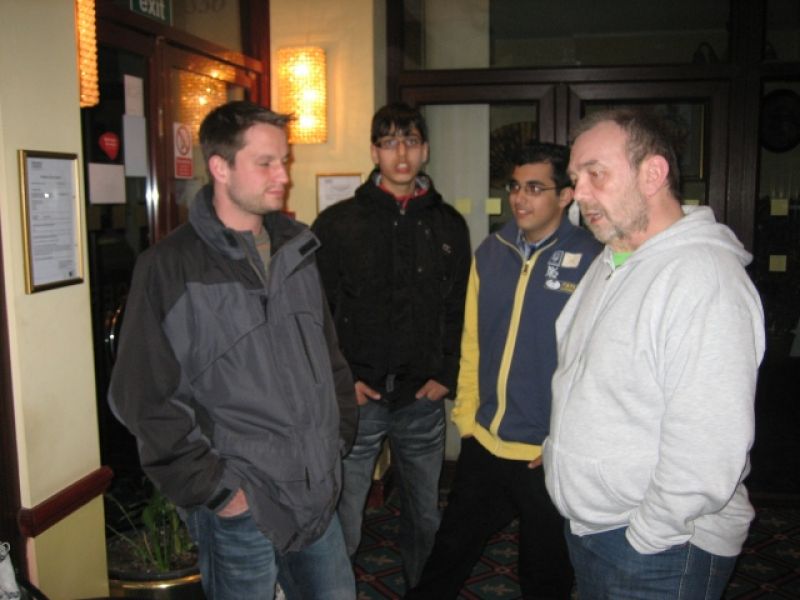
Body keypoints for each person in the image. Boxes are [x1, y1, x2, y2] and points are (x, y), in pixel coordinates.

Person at [108, 100, 358, 600]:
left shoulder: (298, 249)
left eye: (283, 161)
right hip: (243, 505)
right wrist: (220, 491)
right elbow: (143, 395)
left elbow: (329, 357)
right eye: (266, 163)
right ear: (220, 167)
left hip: (315, 489)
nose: (283, 175)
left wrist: (338, 435)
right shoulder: (169, 267)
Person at [543, 108, 765, 599]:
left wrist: (647, 535)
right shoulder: (610, 261)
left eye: (596, 174)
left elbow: (709, 444)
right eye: (576, 179)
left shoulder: (703, 276)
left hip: (662, 546)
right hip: (595, 528)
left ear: (653, 173)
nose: (579, 194)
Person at [406, 142, 601, 599]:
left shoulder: (593, 259)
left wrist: (566, 440)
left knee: (545, 572)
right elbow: (472, 341)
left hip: (545, 453)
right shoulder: (491, 252)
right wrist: (467, 420)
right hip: (487, 441)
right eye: (514, 186)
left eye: (535, 188)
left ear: (565, 195)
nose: (519, 198)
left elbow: (596, 366)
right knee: (447, 557)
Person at [312, 102, 472, 588]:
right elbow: (316, 313)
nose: (401, 153)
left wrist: (446, 373)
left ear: (425, 150)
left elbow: (459, 308)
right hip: (358, 398)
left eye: (410, 141)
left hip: (421, 397)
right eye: (389, 142)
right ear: (374, 152)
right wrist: (342, 381)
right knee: (345, 515)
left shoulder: (448, 224)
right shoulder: (338, 223)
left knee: (424, 515)